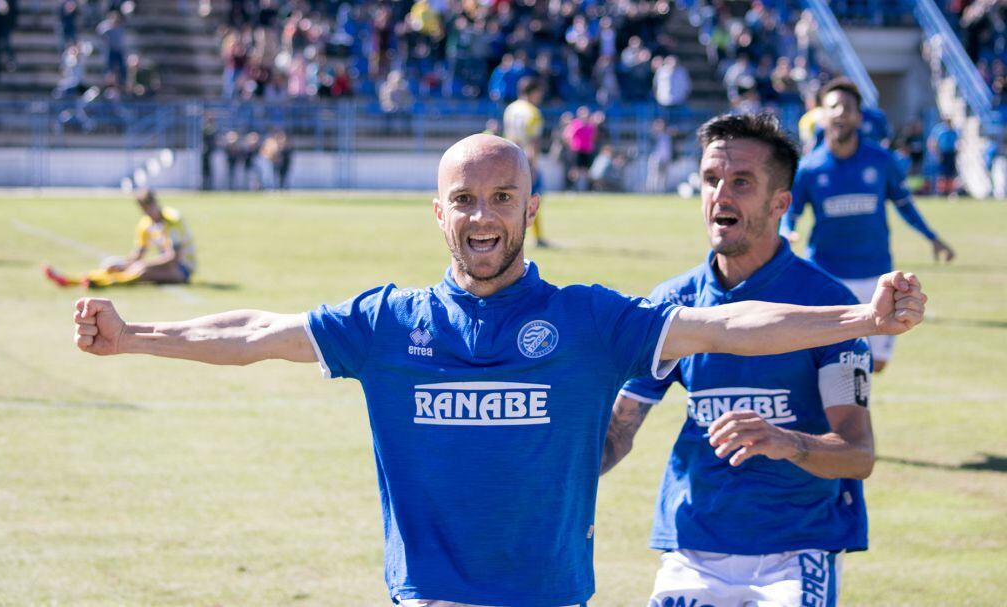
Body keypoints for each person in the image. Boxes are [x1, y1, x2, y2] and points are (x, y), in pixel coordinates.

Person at [70, 134, 926, 606]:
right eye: (466, 200)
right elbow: (257, 329)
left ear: (530, 207)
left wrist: (858, 316)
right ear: (438, 211)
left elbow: (729, 325)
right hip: (431, 597)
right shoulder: (389, 322)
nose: (484, 216)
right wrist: (136, 331)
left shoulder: (589, 318)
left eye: (503, 198)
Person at [603, 112, 876, 606]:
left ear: (781, 204)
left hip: (795, 553)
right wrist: (536, 468)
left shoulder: (828, 309)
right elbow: (618, 432)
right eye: (711, 179)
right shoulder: (674, 304)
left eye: (741, 182)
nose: (720, 196)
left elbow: (858, 455)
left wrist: (785, 440)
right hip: (694, 545)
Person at [782, 78, 952, 373]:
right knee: (825, 360)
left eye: (848, 107)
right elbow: (791, 211)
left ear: (859, 117)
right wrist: (786, 231)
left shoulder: (881, 161)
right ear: (822, 115)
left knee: (878, 363)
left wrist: (932, 237)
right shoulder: (809, 167)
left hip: (876, 274)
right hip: (826, 275)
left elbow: (904, 205)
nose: (840, 113)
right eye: (833, 106)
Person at [44, 188, 195, 288]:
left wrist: (144, 265)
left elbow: (174, 258)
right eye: (144, 210)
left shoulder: (172, 220)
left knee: (141, 272)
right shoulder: (145, 224)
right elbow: (138, 254)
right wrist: (123, 263)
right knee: (113, 266)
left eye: (149, 209)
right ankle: (70, 280)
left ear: (155, 204)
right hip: (165, 264)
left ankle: (101, 284)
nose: (147, 213)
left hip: (182, 269)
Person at [503, 76, 549, 247]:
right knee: (534, 199)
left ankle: (511, 235)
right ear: (534, 92)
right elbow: (534, 141)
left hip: (511, 158)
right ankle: (536, 237)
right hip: (526, 161)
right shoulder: (533, 113)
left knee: (512, 199)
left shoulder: (511, 108)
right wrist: (533, 165)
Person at [928, 117, 960, 197]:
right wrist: (935, 152)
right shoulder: (940, 130)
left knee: (950, 174)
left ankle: (950, 192)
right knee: (941, 173)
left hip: (951, 154)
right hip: (942, 153)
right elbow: (933, 141)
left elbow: (957, 143)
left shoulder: (953, 131)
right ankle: (941, 192)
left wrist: (957, 152)